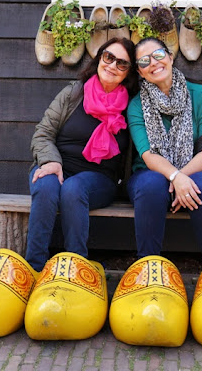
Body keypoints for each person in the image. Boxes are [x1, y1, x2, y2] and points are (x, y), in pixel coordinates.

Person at [26, 37, 138, 272]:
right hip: (56, 165)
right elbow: (43, 132)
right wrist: (51, 161)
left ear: (128, 72)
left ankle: (75, 268)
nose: (112, 66)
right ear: (99, 58)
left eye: (122, 63)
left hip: (100, 178)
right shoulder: (73, 93)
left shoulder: (132, 106)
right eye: (108, 57)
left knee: (73, 188)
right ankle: (34, 269)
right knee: (45, 186)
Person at [127, 37, 202, 264]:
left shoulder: (201, 95)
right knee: (151, 184)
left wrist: (183, 177)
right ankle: (148, 266)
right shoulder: (136, 105)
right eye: (144, 61)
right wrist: (175, 176)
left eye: (158, 55)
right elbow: (147, 154)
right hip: (151, 174)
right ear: (140, 72)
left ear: (170, 58)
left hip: (200, 170)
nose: (153, 63)